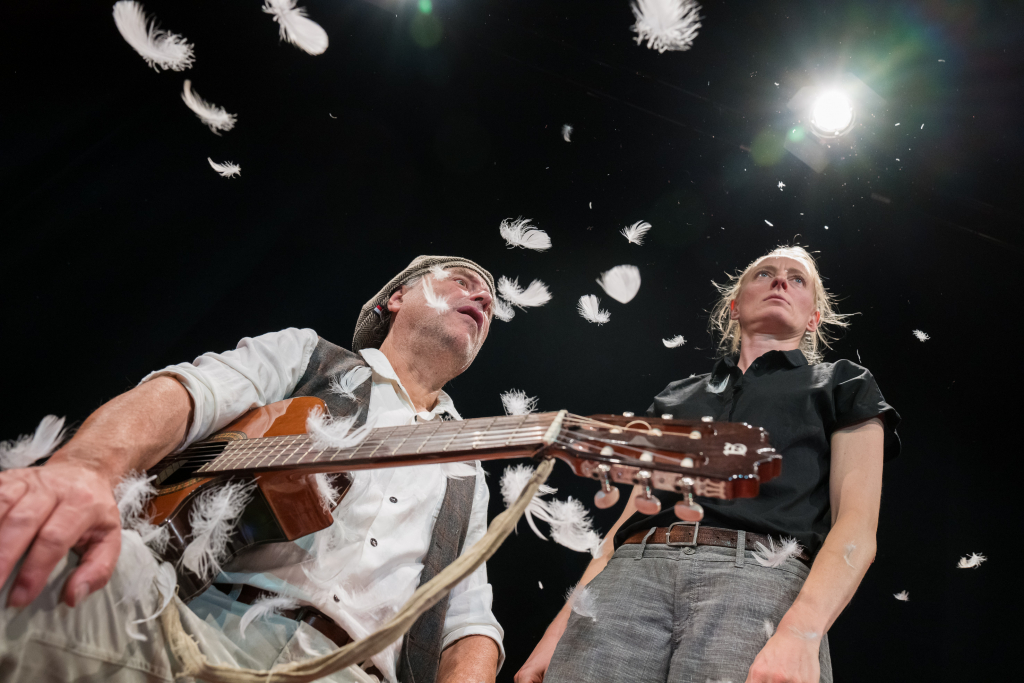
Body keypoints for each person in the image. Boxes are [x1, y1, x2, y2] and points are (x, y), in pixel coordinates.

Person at [0, 255, 506, 683]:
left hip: (349, 672)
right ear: (395, 299)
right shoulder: (310, 357)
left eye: (490, 300)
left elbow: (468, 620)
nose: (483, 299)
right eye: (462, 281)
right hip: (188, 622)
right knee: (33, 538)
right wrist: (86, 470)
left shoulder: (466, 467)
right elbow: (186, 395)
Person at [516, 245, 900, 683]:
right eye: (765, 274)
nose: (780, 281)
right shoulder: (674, 397)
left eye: (797, 279)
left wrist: (802, 632)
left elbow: (856, 528)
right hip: (629, 578)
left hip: (760, 582)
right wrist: (560, 627)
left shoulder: (842, 384)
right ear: (733, 308)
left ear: (813, 317)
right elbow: (626, 522)